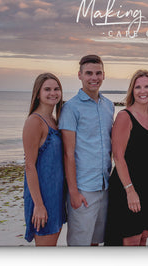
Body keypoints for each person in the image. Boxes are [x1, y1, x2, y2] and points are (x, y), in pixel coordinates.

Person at [59, 55, 114, 246]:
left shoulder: (108, 106)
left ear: (104, 75)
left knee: (95, 242)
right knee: (79, 244)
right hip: (83, 189)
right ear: (80, 75)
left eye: (98, 73)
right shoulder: (71, 108)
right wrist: (73, 191)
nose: (94, 77)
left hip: (105, 186)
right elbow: (68, 153)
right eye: (89, 73)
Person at [104, 70, 148, 246]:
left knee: (143, 236)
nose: (142, 91)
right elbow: (118, 157)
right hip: (127, 188)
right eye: (138, 87)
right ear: (132, 90)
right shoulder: (124, 116)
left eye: (146, 86)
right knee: (131, 240)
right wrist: (130, 191)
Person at [23, 73, 66, 246]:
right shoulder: (35, 121)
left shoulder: (54, 120)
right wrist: (39, 205)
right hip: (42, 196)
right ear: (38, 93)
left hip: (57, 193)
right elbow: (29, 166)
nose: (53, 93)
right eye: (47, 89)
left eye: (56, 89)